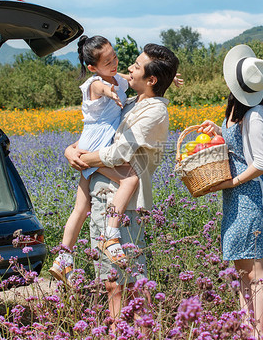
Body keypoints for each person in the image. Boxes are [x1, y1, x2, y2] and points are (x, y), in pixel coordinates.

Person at [49, 36, 182, 283]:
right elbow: (101, 126)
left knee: (126, 281)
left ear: (151, 79)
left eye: (136, 66)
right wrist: (70, 150)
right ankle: (70, 254)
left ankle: (66, 256)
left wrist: (84, 158)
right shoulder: (123, 98)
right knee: (111, 282)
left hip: (125, 204)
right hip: (104, 195)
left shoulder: (153, 109)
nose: (126, 68)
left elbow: (117, 152)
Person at [198, 44, 263, 340]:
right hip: (235, 196)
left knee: (255, 267)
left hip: (249, 196)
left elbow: (261, 163)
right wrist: (217, 131)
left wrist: (231, 182)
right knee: (242, 268)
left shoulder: (254, 115)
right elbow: (236, 147)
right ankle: (248, 331)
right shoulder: (236, 109)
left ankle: (261, 336)